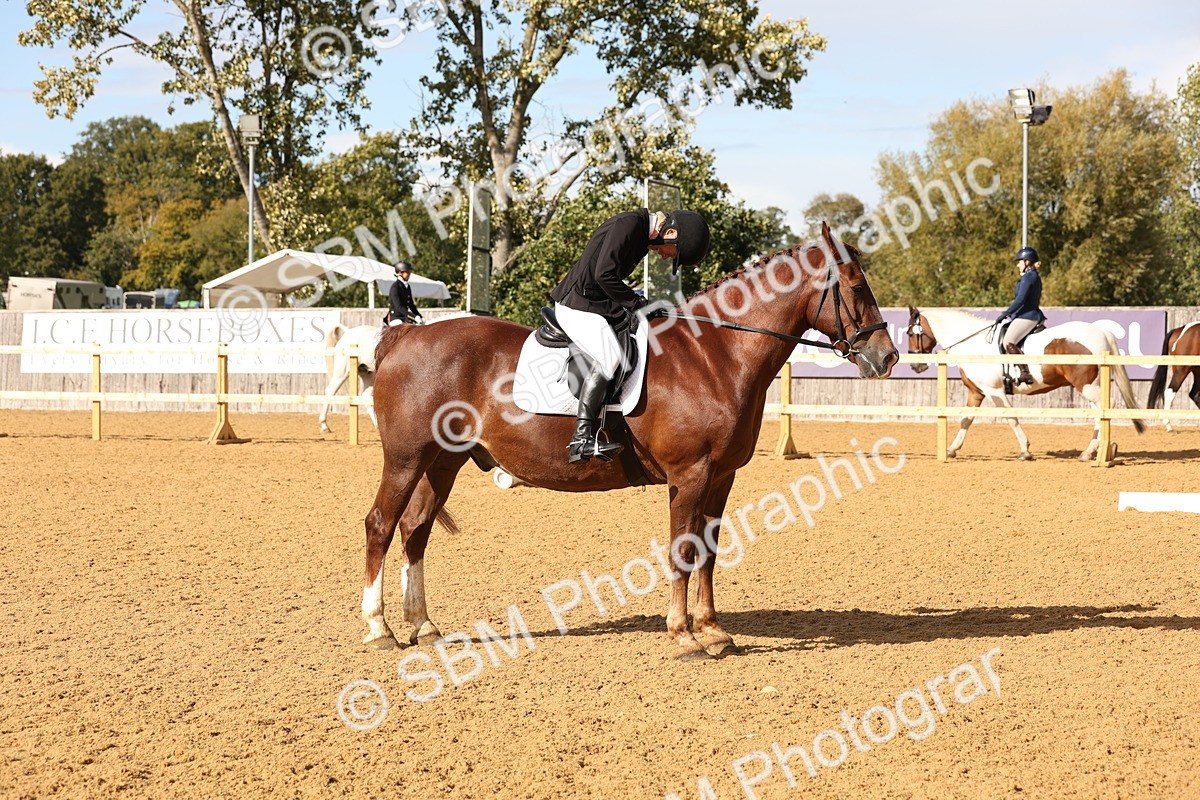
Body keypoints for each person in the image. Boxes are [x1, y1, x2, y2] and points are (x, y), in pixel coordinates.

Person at [549, 208, 710, 463]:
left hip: (596, 305)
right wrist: (638, 304)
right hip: (577, 305)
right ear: (670, 233)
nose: (666, 256)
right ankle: (581, 438)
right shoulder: (630, 226)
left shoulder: (640, 235)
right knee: (611, 356)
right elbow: (604, 275)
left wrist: (640, 306)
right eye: (673, 253)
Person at [995, 246, 1047, 386]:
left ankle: (1025, 373)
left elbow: (1020, 300)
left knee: (1008, 341)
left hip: (1027, 315)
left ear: (1027, 262)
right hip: (1026, 314)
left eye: (1019, 262)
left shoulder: (1029, 277)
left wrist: (1006, 313)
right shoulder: (1032, 276)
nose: (1018, 265)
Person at [386, 261, 423, 327]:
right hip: (396, 317)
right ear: (400, 273)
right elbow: (398, 306)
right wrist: (413, 316)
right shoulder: (395, 287)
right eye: (407, 272)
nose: (409, 274)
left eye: (410, 272)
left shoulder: (407, 286)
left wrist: (419, 316)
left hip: (405, 316)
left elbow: (411, 305)